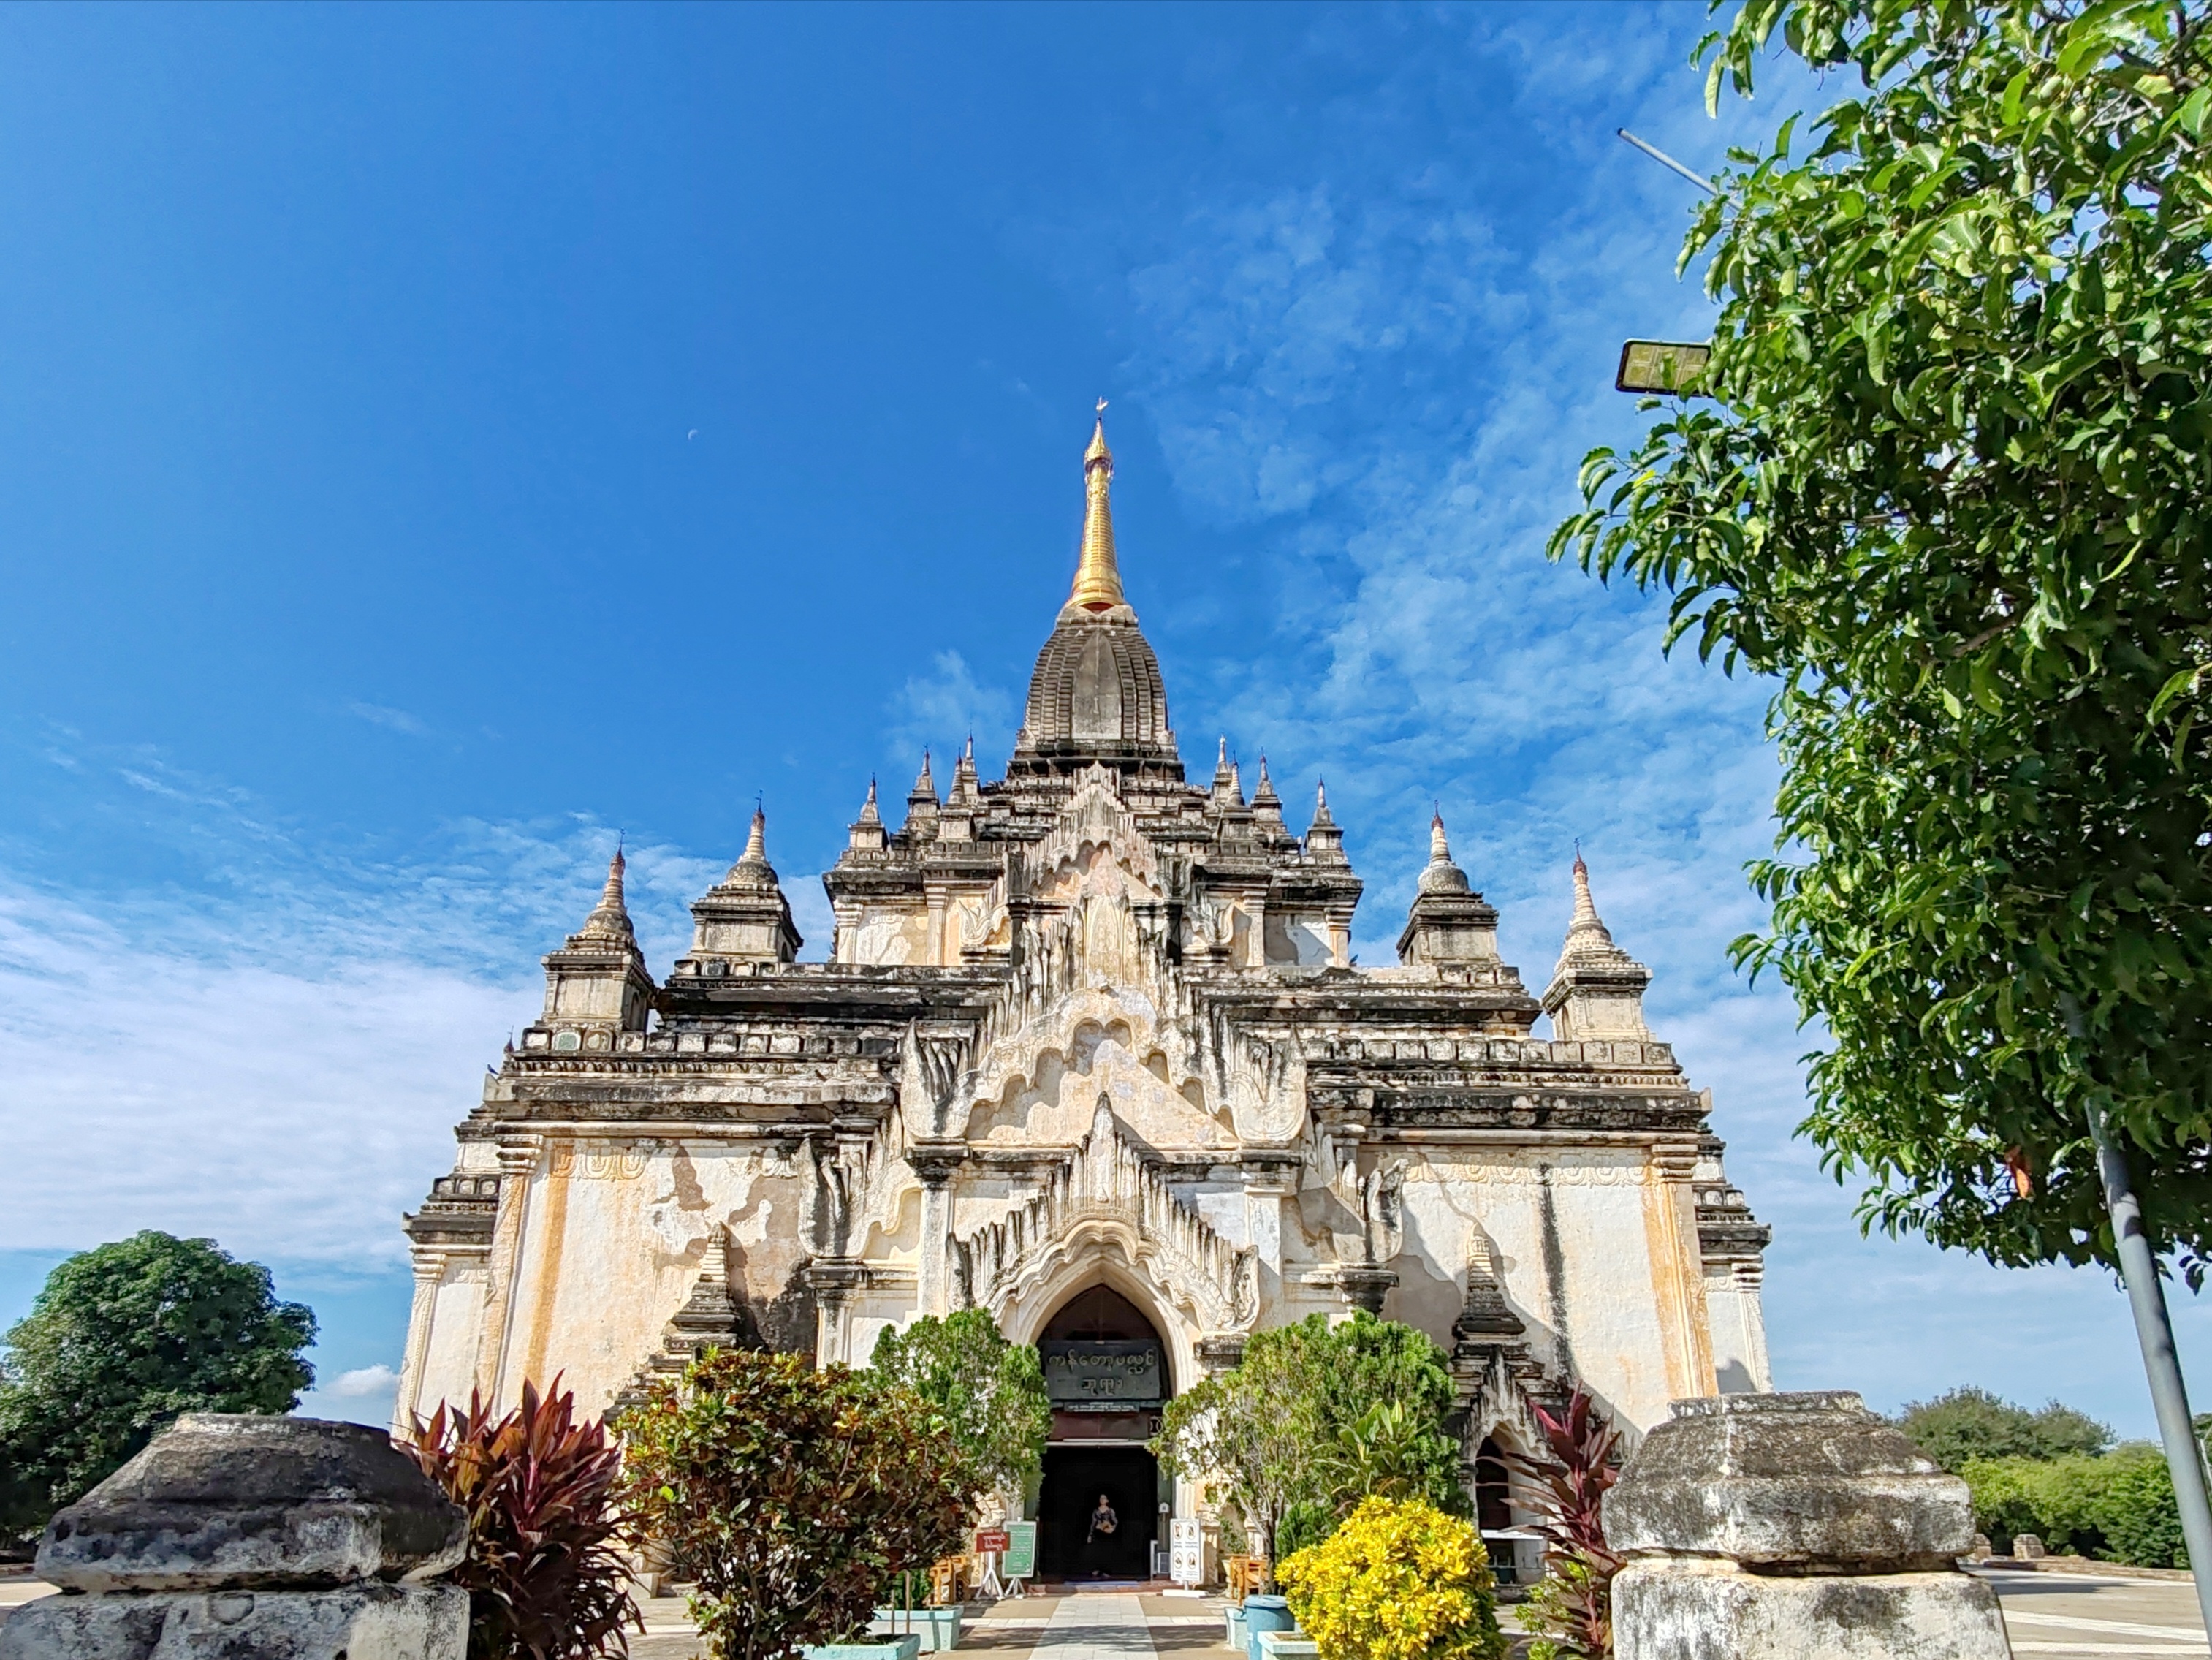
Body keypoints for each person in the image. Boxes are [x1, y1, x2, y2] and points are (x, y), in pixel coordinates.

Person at [1085, 1492, 1118, 1578]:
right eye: (1101, 1498)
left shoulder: (1110, 1511)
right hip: (1098, 1534)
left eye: (1104, 1498)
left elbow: (1115, 1522)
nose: (1102, 1500)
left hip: (1107, 1535)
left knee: (1107, 1552)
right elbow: (1093, 1523)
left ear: (1107, 1500)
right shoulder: (1096, 1511)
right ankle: (1097, 1569)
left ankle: (1106, 1571)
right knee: (1097, 1552)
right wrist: (1090, 1534)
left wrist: (1110, 1528)